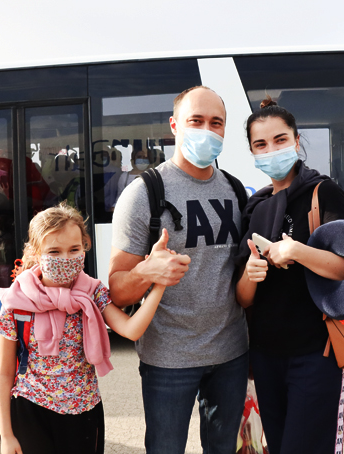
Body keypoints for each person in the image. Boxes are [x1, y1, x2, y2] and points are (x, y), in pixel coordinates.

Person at [108, 85, 249, 454]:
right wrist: (146, 272)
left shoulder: (236, 191)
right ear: (174, 125)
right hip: (167, 359)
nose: (206, 130)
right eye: (195, 121)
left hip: (232, 354)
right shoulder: (143, 193)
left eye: (215, 123)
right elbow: (117, 291)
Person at [235, 98, 344, 454]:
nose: (271, 150)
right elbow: (244, 298)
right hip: (265, 357)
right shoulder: (255, 207)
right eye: (261, 144)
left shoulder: (324, 193)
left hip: (317, 353)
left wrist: (298, 252)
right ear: (251, 151)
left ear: (296, 139)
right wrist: (250, 273)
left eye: (279, 139)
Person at [0, 203, 167, 454]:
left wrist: (159, 283)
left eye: (74, 249)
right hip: (30, 411)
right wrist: (6, 435)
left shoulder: (93, 292)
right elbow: (4, 373)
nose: (66, 258)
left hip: (83, 411)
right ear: (35, 252)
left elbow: (131, 329)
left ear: (85, 245)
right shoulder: (17, 301)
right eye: (54, 251)